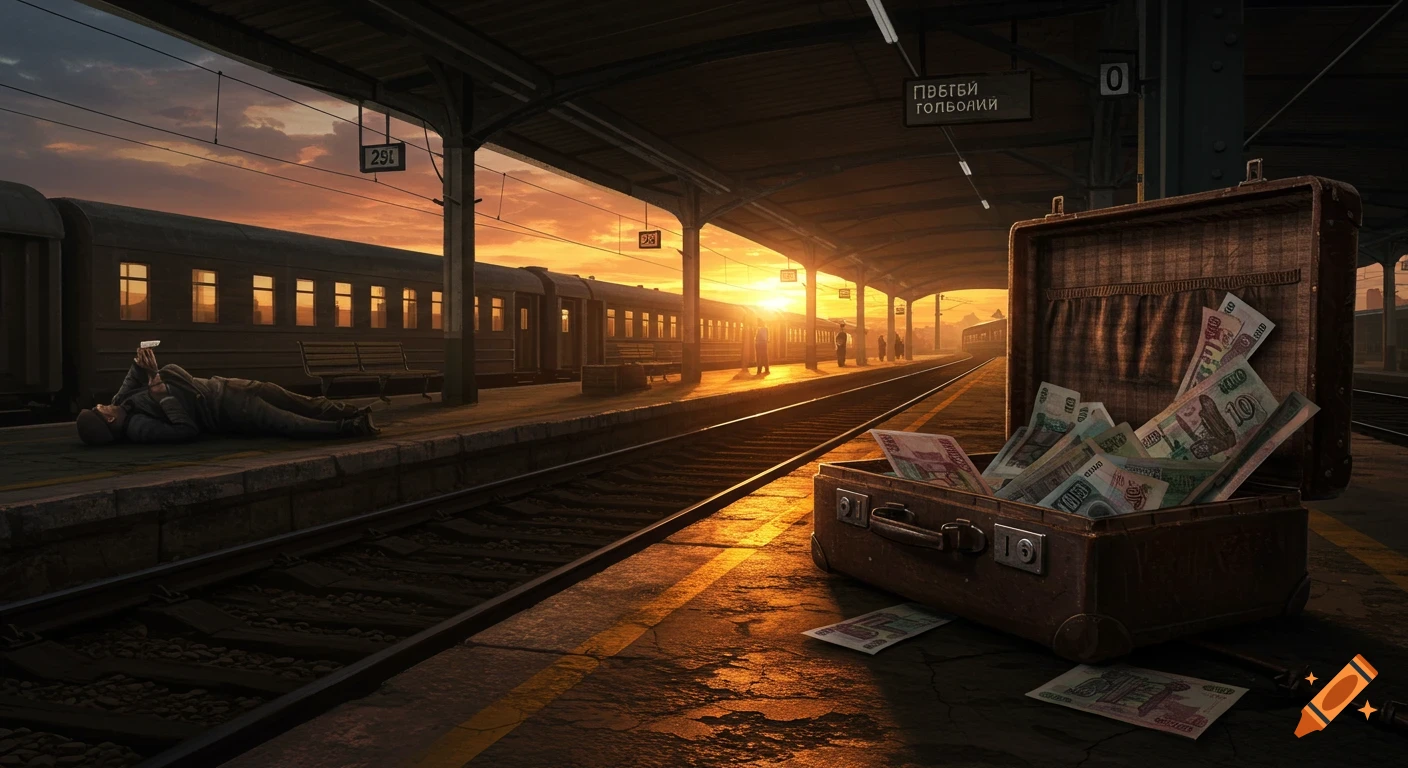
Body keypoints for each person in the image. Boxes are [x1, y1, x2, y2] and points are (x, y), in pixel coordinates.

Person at [75, 346, 379, 446]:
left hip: (230, 387)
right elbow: (186, 430)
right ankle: (350, 427)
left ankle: (349, 410)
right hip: (230, 408)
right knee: (292, 423)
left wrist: (140, 363)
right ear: (109, 419)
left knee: (303, 403)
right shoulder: (139, 427)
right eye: (98, 408)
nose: (101, 403)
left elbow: (131, 380)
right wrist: (160, 390)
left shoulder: (122, 403)